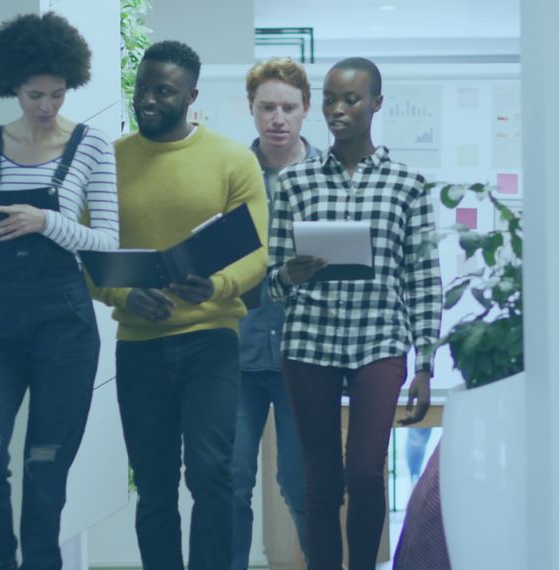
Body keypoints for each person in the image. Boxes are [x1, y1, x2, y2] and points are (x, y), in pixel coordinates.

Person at [89, 40, 268, 570]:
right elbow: (87, 259)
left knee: (213, 474)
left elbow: (258, 255)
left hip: (211, 341)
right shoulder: (109, 162)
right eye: (142, 87)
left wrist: (215, 287)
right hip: (139, 344)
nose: (147, 99)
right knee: (154, 483)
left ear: (190, 95)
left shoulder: (233, 160)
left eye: (161, 91)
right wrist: (125, 295)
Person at [0, 12, 119, 570]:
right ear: (11, 86)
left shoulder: (91, 146)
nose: (46, 106)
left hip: (63, 325)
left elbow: (107, 241)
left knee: (46, 469)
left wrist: (44, 222)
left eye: (56, 93)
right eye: (33, 95)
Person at [266, 57, 443, 570]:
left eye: (352, 99)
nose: (338, 110)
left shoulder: (407, 184)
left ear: (377, 104)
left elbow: (423, 278)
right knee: (320, 479)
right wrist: (289, 275)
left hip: (379, 341)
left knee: (366, 472)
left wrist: (426, 362)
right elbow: (273, 284)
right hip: (309, 341)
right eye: (330, 100)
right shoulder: (294, 183)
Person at [230, 57, 320, 570]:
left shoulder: (332, 179)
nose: (277, 119)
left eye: (288, 107)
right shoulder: (230, 176)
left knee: (303, 484)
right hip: (236, 354)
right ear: (251, 110)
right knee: (231, 481)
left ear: (306, 109)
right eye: (267, 107)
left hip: (303, 355)